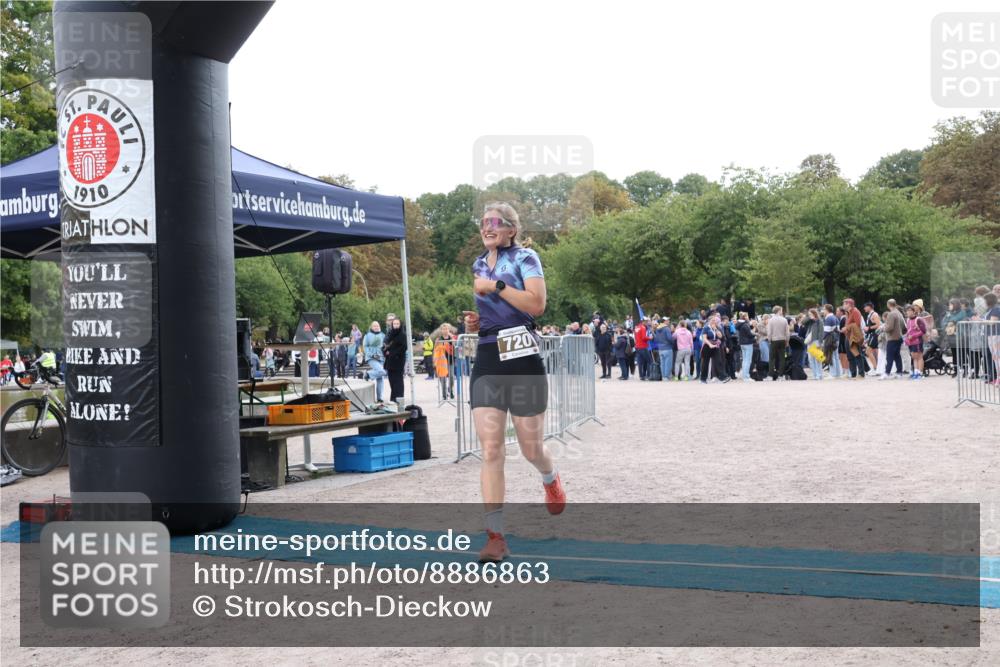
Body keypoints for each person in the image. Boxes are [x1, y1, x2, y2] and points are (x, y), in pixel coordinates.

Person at [462, 202, 564, 563]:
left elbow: (536, 305)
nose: (487, 227)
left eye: (495, 223)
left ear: (510, 230)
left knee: (530, 448)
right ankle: (495, 536)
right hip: (488, 355)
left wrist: (496, 286)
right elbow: (495, 309)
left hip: (522, 355)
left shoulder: (526, 258)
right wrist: (476, 323)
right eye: (483, 223)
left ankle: (549, 477)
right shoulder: (478, 264)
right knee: (491, 449)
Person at [384, 317, 408, 403]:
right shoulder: (389, 334)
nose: (396, 325)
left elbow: (403, 347)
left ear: (400, 325)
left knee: (398, 382)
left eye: (398, 324)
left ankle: (399, 399)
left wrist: (392, 353)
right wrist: (385, 351)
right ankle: (393, 400)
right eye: (394, 324)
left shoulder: (403, 335)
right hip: (390, 361)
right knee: (392, 381)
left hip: (398, 361)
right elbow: (385, 345)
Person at [363, 321, 387, 401]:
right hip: (371, 357)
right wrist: (371, 355)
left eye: (378, 326)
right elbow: (365, 347)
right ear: (371, 327)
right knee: (382, 371)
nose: (376, 327)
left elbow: (385, 346)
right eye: (374, 326)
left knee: (380, 378)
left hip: (381, 357)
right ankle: (368, 374)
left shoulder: (383, 335)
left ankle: (379, 398)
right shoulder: (367, 335)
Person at [904, 304, 928, 379]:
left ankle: (920, 373)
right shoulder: (907, 320)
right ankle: (916, 372)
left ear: (914, 311)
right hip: (910, 342)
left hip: (917, 341)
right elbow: (908, 331)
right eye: (907, 311)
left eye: (909, 311)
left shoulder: (918, 319)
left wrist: (913, 336)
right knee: (914, 357)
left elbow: (923, 331)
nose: (907, 313)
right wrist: (906, 338)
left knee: (919, 357)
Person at [766, 306, 789, 380]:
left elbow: (769, 332)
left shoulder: (771, 320)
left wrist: (769, 340)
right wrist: (787, 341)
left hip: (774, 340)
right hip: (782, 340)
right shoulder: (784, 320)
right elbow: (787, 332)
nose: (782, 311)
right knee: (782, 358)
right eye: (781, 310)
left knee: (772, 358)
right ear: (779, 311)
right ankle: (781, 375)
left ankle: (770, 375)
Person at [736, 312, 755, 381]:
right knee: (748, 360)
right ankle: (746, 376)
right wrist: (755, 334)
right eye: (747, 316)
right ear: (745, 317)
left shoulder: (740, 324)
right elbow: (750, 334)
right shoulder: (744, 325)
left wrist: (750, 323)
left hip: (742, 344)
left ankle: (744, 375)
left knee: (744, 360)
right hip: (748, 343)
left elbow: (751, 327)